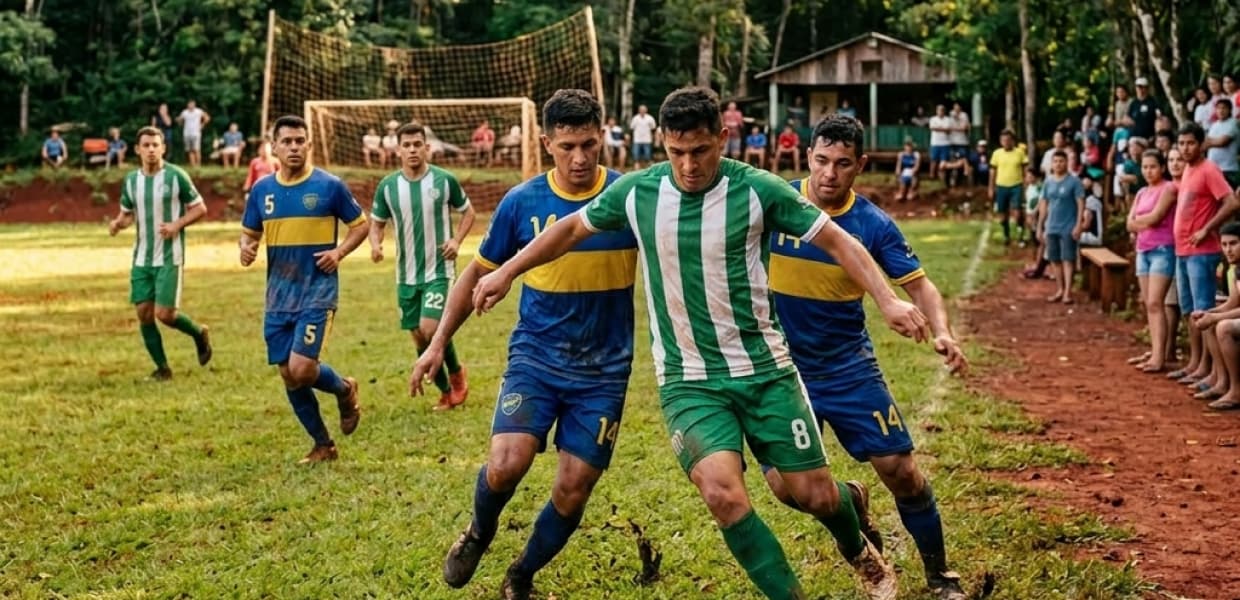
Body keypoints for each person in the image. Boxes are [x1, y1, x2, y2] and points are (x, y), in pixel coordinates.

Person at [467, 86, 925, 600]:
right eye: (677, 152)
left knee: (815, 496)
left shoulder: (759, 190)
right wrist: (505, 271)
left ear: (723, 139)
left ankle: (858, 549)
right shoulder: (638, 193)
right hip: (689, 381)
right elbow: (568, 230)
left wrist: (887, 301)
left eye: (700, 151)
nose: (688, 165)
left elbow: (839, 240)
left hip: (766, 371)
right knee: (724, 497)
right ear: (662, 143)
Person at [410, 90, 635, 599]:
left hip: (605, 369)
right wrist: (437, 343)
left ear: (604, 138)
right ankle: (478, 532)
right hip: (536, 357)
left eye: (589, 145)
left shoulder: (627, 198)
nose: (579, 158)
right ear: (546, 143)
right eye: (567, 146)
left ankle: (522, 574)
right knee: (508, 462)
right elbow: (476, 273)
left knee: (573, 489)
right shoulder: (522, 202)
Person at [767, 114, 968, 600]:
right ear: (807, 157)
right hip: (784, 371)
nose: (828, 174)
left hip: (847, 365)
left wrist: (942, 331)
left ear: (859, 165)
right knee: (784, 487)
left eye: (841, 164)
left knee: (901, 471)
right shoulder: (775, 204)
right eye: (820, 161)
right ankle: (850, 504)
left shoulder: (872, 224)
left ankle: (940, 575)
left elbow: (920, 286)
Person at [239, 115, 367, 464]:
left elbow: (361, 226)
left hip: (317, 292)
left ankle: (345, 389)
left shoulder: (330, 186)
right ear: (275, 146)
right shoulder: (262, 191)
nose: (294, 147)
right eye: (287, 142)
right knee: (288, 375)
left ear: (309, 144)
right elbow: (249, 235)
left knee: (303, 369)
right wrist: (246, 249)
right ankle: (323, 445)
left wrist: (339, 252)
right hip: (278, 296)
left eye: (300, 141)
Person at [369, 121, 474, 411]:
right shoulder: (388, 187)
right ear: (398, 149)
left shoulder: (444, 181)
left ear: (427, 148)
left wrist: (456, 241)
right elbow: (376, 223)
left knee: (430, 329)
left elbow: (468, 213)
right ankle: (445, 392)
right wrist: (375, 244)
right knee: (416, 334)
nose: (413, 150)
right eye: (407, 145)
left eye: (418, 144)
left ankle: (456, 376)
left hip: (439, 270)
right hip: (406, 274)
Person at [107, 126, 213, 380]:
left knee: (165, 315)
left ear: (163, 148)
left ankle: (199, 334)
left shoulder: (176, 176)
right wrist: (118, 224)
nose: (151, 149)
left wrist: (177, 224)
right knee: (144, 313)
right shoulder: (132, 180)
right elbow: (127, 214)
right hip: (141, 257)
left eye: (156, 145)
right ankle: (163, 369)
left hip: (169, 256)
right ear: (137, 150)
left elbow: (200, 208)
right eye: (146, 145)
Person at [1169, 122, 1240, 400]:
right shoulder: (1188, 169)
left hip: (1202, 251)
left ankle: (1221, 379)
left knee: (1206, 313)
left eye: (1190, 143)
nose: (1185, 148)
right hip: (1182, 250)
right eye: (1181, 143)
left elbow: (1231, 202)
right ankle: (1198, 366)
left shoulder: (1210, 169)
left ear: (1201, 144)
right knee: (1192, 313)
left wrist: (1207, 227)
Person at [1126, 149, 1178, 373]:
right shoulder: (1141, 193)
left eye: (1153, 166)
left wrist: (1140, 221)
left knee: (1157, 303)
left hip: (1162, 249)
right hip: (1143, 251)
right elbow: (1130, 223)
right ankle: (1155, 350)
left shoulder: (1168, 188)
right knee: (1149, 304)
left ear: (1162, 167)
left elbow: (1157, 217)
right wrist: (1141, 222)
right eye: (1145, 167)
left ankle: (1160, 357)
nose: (1148, 171)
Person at [1192, 222, 1240, 410]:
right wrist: (1209, 313)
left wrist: (1216, 318)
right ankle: (1222, 382)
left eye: (1234, 244)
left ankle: (1236, 390)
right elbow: (1232, 303)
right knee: (1207, 322)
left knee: (1223, 326)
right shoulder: (1233, 270)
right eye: (1225, 244)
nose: (1228, 249)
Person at [1035, 150, 1085, 304]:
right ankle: (1059, 288)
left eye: (1061, 161)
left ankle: (1068, 292)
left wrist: (1078, 224)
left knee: (1068, 259)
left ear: (1066, 162)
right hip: (1052, 226)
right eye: (1055, 161)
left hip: (1068, 226)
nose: (1058, 164)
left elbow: (1080, 203)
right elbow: (1044, 204)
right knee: (1054, 259)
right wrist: (1040, 225)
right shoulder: (1048, 182)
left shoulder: (1074, 182)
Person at [988, 130, 1028, 246]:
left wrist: (1026, 185)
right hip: (1001, 186)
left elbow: (1025, 169)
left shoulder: (1019, 153)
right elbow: (992, 171)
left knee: (1017, 212)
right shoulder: (997, 154)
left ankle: (1020, 235)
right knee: (1002, 214)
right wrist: (991, 187)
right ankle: (1007, 235)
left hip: (1016, 185)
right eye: (1003, 140)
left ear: (1012, 141)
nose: (1006, 142)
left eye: (1008, 140)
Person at [1204, 99, 1240, 188]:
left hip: (1229, 169)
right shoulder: (1214, 125)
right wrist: (1212, 142)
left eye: (1224, 108)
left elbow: (1223, 142)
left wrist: (1209, 142)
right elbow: (1206, 142)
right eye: (1218, 108)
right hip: (1214, 169)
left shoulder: (1233, 123)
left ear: (1230, 110)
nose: (1221, 110)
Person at [176, 100, 210, 168]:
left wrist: (202, 125)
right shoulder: (185, 112)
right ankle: (193, 165)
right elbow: (180, 119)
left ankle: (198, 165)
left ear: (194, 105)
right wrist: (179, 121)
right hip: (187, 133)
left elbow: (207, 118)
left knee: (196, 149)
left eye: (192, 104)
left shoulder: (198, 111)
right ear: (188, 105)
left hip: (196, 133)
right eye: (189, 104)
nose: (191, 106)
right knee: (189, 150)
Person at [1077, 176, 1104, 247]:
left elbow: (1086, 225)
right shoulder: (1095, 200)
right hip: (1094, 235)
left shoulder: (1090, 202)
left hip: (1094, 236)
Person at [927, 105, 952, 180]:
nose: (941, 111)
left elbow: (948, 130)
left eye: (942, 110)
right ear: (936, 111)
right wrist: (943, 129)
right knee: (933, 160)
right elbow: (932, 128)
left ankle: (942, 177)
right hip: (935, 143)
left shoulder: (948, 119)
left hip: (945, 143)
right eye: (939, 110)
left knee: (943, 161)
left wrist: (938, 128)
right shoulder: (933, 119)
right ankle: (931, 176)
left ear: (944, 111)